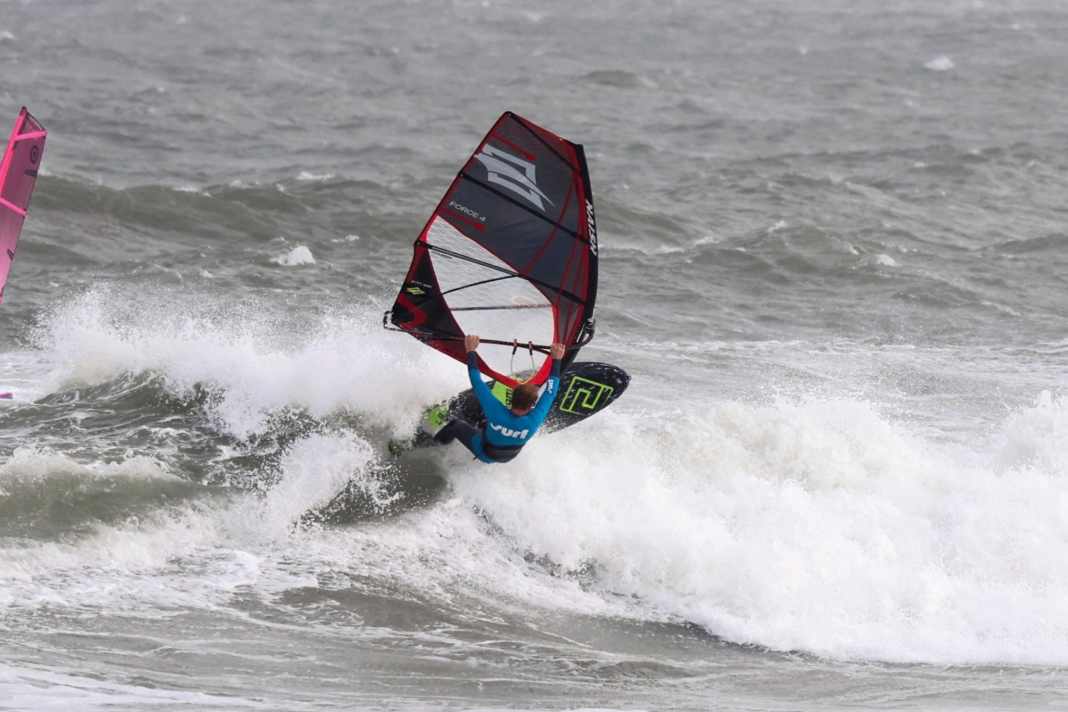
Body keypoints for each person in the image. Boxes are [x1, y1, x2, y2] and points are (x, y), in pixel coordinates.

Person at [434, 334, 565, 463]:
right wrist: (557, 359)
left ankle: (436, 446)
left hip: (483, 452)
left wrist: (471, 350)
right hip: (508, 457)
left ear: (512, 396)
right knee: (486, 421)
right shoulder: (535, 419)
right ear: (533, 404)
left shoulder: (496, 411)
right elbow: (550, 392)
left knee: (456, 425)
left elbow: (476, 380)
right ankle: (482, 426)